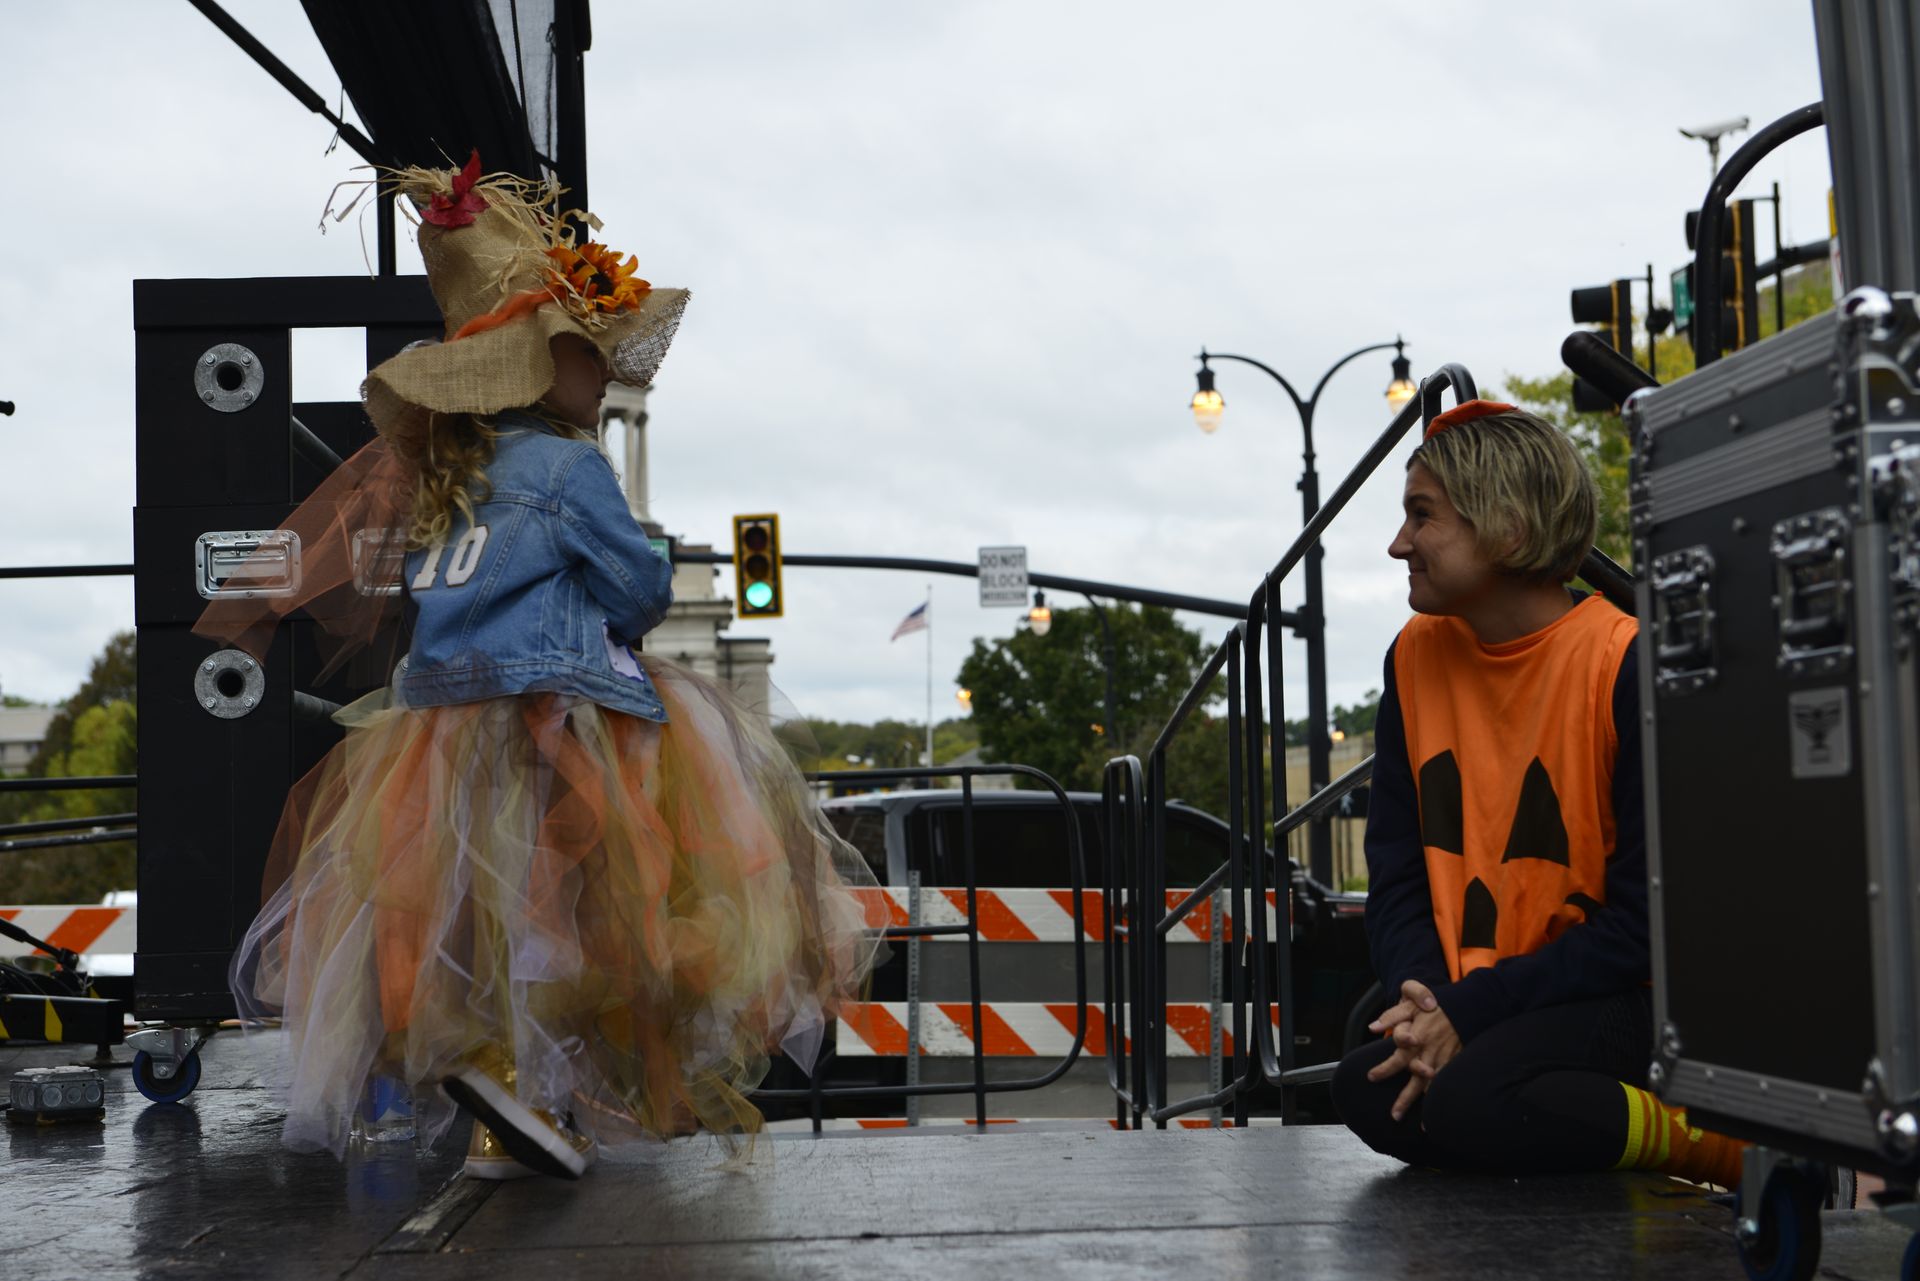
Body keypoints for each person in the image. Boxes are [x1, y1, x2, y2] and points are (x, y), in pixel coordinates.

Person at [199, 154, 882, 1180]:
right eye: (588, 351)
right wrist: (638, 584)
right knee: (595, 911)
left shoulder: (449, 473)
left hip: (439, 726)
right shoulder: (568, 467)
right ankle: (544, 1095)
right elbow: (637, 592)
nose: (606, 371)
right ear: (539, 360)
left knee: (473, 910)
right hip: (563, 711)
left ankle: (495, 1102)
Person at [1328, 400, 1743, 1188]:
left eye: (1422, 516)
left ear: (1508, 530)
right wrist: (1427, 1005)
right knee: (1364, 1087)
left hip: (1614, 994)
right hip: (1473, 994)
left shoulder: (1623, 664)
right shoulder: (1413, 657)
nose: (1398, 544)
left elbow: (1644, 928)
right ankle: (1557, 1124)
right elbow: (1398, 875)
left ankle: (1709, 1140)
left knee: (1471, 1100)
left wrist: (1473, 1013)